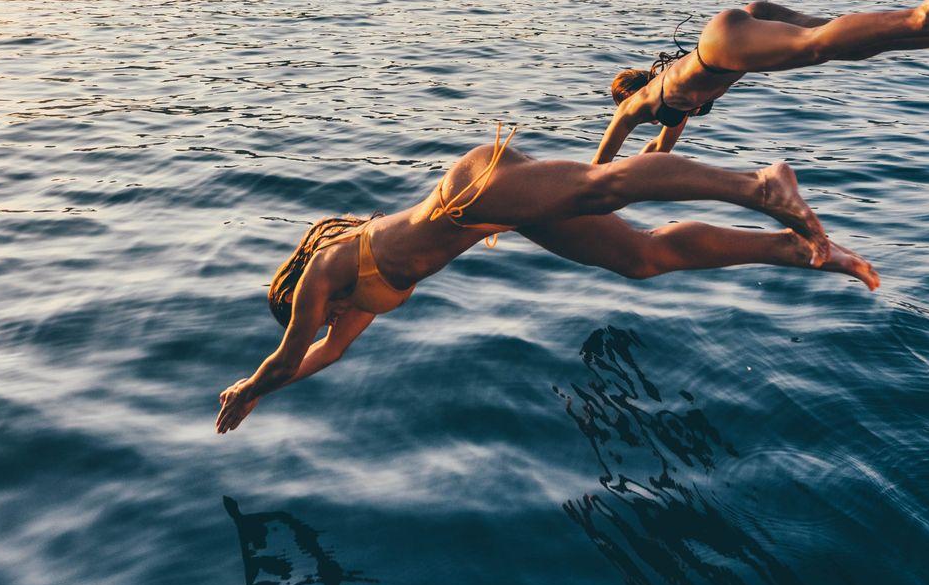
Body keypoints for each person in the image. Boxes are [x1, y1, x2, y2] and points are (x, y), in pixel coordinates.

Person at [215, 136, 878, 433]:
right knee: (639, 259)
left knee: (604, 184)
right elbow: (324, 354)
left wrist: (249, 388)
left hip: (468, 190)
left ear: (304, 289)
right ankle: (792, 249)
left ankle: (757, 186)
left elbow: (286, 353)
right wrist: (266, 395)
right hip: (491, 213)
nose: (325, 318)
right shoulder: (357, 304)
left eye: (317, 310)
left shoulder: (328, 269)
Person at [594, 0, 929, 163]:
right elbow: (658, 151)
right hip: (742, 27)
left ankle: (925, 14)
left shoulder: (643, 104)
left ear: (626, 97)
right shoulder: (670, 108)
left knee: (818, 45)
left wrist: (571, 205)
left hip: (722, 47)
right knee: (849, 47)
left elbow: (602, 159)